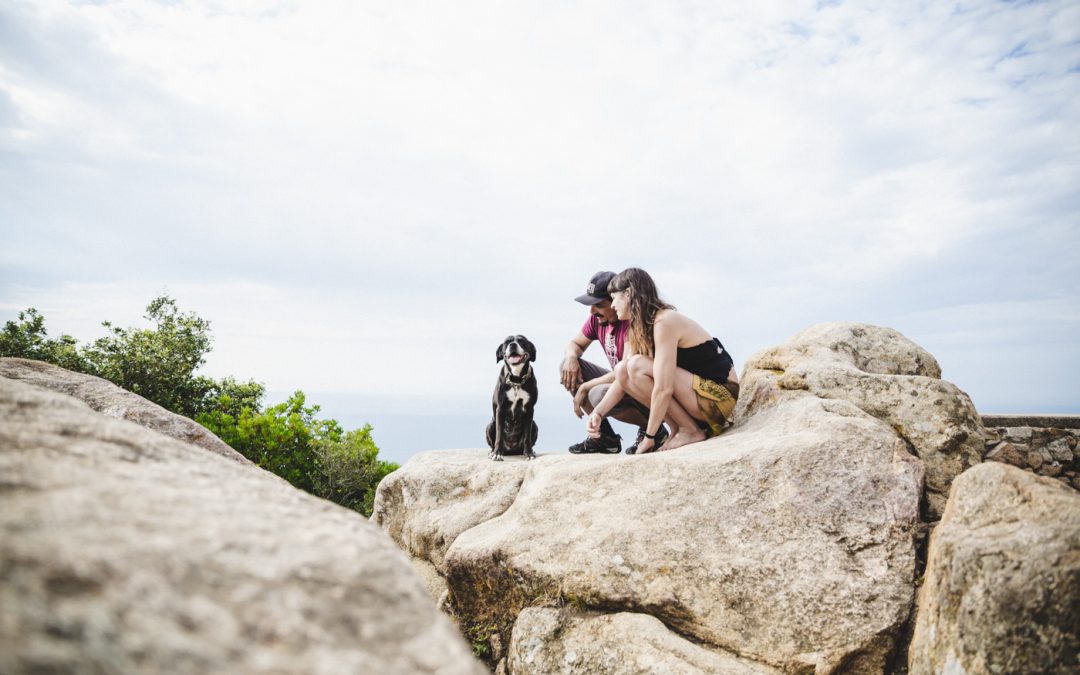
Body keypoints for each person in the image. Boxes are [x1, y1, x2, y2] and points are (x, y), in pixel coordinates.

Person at [586, 268, 739, 454]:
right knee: (623, 369)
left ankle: (689, 430)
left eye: (614, 297)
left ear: (628, 294)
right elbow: (622, 379)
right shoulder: (638, 327)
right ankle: (681, 428)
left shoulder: (664, 322)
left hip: (719, 398)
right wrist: (598, 413)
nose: (612, 306)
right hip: (695, 397)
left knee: (635, 365)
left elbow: (663, 387)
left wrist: (649, 437)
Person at [560, 271, 669, 454]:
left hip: (644, 390)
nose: (592, 311)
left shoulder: (630, 321)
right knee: (566, 365)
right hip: (621, 382)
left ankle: (654, 429)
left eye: (598, 305)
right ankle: (604, 439)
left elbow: (624, 371)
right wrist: (571, 357)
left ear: (614, 301)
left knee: (598, 394)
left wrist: (586, 386)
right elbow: (575, 344)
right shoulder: (597, 319)